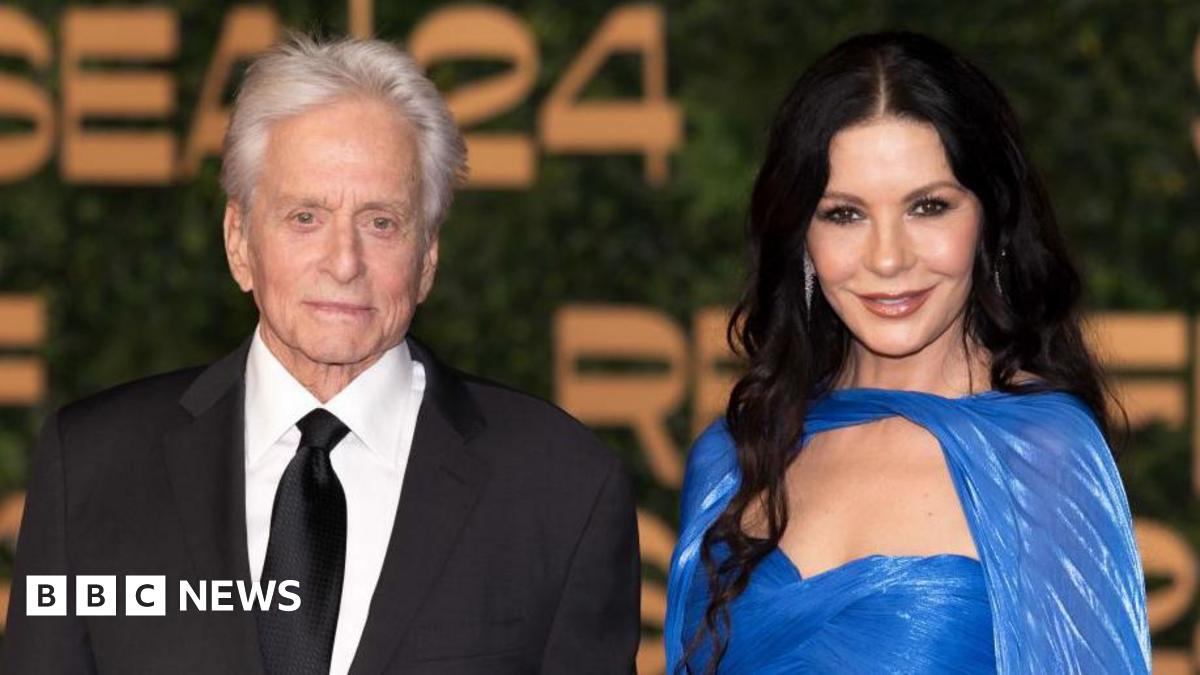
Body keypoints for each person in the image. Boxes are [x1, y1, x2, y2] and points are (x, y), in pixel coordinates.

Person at [5, 34, 639, 674]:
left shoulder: (562, 486)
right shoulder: (91, 467)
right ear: (239, 242)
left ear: (428, 258)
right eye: (305, 217)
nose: (344, 263)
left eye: (381, 222)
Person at [664, 31, 1149, 674]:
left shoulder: (1043, 457)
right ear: (801, 235)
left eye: (928, 207)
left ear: (991, 219)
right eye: (844, 214)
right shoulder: (731, 457)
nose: (888, 258)